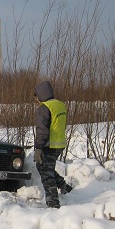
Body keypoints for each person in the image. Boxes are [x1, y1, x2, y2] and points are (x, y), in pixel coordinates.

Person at [33, 80, 73, 209]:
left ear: (40, 94)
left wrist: (38, 148)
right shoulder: (60, 105)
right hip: (59, 144)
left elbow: (42, 130)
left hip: (49, 145)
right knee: (44, 167)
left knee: (46, 174)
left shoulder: (44, 108)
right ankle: (63, 186)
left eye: (36, 97)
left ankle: (53, 204)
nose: (36, 100)